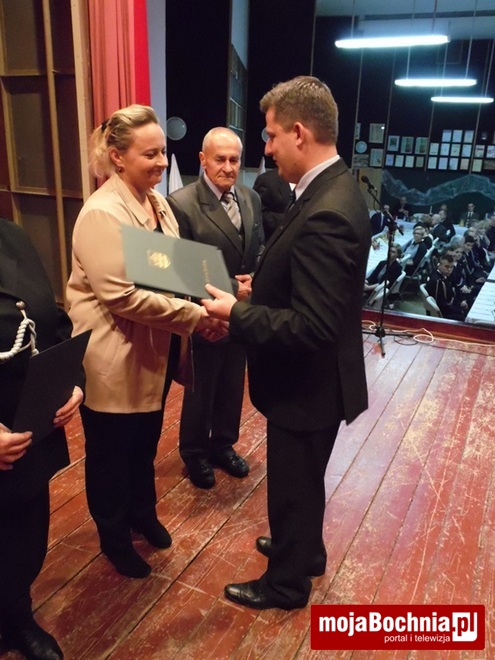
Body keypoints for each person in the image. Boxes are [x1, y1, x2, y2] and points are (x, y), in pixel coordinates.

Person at [202, 75, 371, 610]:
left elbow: (311, 326)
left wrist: (238, 312)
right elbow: (313, 284)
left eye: (272, 135)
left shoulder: (326, 209)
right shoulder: (332, 187)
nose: (268, 148)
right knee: (304, 481)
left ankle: (285, 584)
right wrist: (264, 286)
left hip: (308, 385)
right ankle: (305, 552)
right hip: (319, 380)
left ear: (299, 133)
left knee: (293, 487)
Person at [66, 105, 222, 579]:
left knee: (144, 445)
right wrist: (197, 316)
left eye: (162, 151)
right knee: (111, 456)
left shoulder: (157, 204)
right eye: (149, 153)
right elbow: (122, 297)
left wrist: (217, 293)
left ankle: (142, 514)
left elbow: (174, 268)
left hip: (153, 350)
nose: (161, 162)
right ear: (117, 157)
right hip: (113, 355)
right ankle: (114, 537)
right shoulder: (102, 213)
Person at [0, 218, 84, 659]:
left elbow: (52, 321)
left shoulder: (11, 235)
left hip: (26, 428)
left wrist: (73, 382)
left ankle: (15, 616)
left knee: (24, 536)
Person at [167, 127, 264, 489]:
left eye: (234, 159)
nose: (228, 167)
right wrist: (223, 297)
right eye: (220, 159)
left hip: (241, 311)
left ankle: (223, 444)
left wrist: (254, 279)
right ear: (202, 160)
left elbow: (259, 248)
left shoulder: (251, 198)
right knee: (202, 387)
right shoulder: (181, 203)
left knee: (232, 383)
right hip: (205, 313)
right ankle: (194, 452)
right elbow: (180, 267)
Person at [253, 167, 293, 241]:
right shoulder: (267, 180)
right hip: (275, 242)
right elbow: (257, 215)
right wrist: (291, 219)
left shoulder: (312, 181)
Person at [425, 253, 468, 320]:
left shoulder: (444, 275)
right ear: (439, 265)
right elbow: (442, 305)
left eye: (451, 267)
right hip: (445, 314)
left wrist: (461, 301)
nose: (449, 269)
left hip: (451, 305)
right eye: (446, 267)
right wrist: (460, 309)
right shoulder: (438, 282)